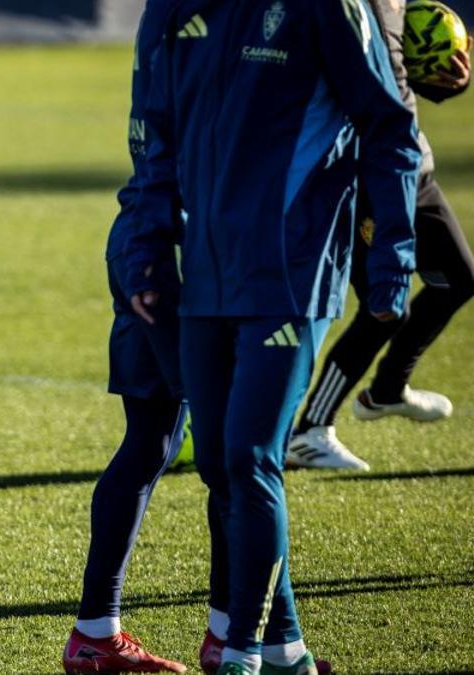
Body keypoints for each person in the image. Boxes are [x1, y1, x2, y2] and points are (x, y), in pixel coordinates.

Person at [125, 1, 420, 673]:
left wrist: (392, 261)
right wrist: (146, 250)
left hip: (293, 269)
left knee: (250, 457)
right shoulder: (177, 7)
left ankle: (243, 653)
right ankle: (287, 650)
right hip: (206, 275)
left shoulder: (328, 6)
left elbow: (390, 126)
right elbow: (156, 132)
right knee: (216, 466)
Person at [61, 2, 190, 673]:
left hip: (143, 233)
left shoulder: (165, 11)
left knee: (151, 443)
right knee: (239, 457)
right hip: (179, 246)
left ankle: (96, 631)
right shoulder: (210, 17)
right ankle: (258, 643)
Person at [288, 3, 472, 471]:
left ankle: (388, 389)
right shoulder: (346, 7)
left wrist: (447, 81)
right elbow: (356, 82)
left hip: (413, 166)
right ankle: (311, 431)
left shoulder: (398, 4)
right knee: (384, 307)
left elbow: (397, 75)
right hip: (369, 173)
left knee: (458, 278)